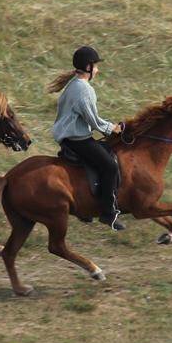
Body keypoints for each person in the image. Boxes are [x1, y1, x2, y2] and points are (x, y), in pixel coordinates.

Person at [48, 45, 125, 230]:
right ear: (88, 67)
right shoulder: (83, 89)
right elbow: (93, 120)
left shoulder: (73, 84)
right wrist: (112, 128)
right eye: (96, 66)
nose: (97, 70)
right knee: (110, 165)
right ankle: (108, 213)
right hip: (78, 139)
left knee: (106, 152)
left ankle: (87, 208)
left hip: (71, 137)